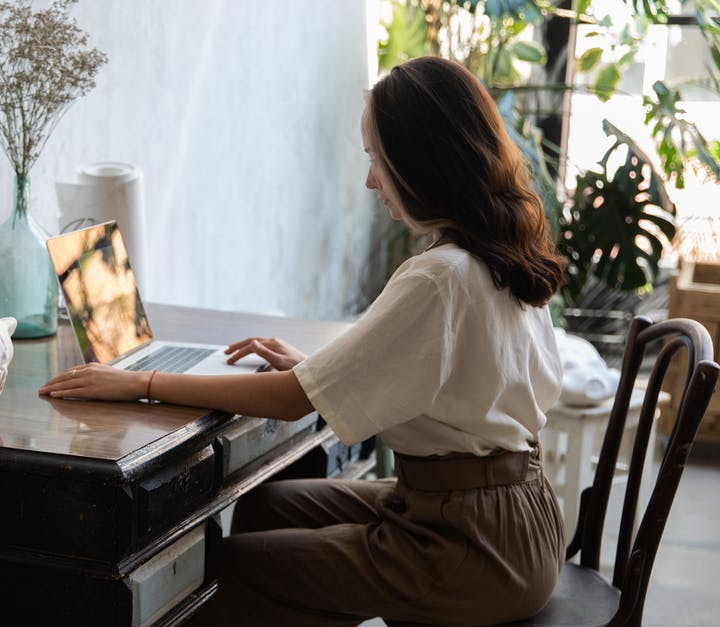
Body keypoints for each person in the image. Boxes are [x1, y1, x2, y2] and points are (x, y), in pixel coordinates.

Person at [39, 56, 565, 626]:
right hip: (510, 516)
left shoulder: (440, 275)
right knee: (267, 505)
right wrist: (317, 372)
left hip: (472, 545)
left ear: (420, 162)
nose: (370, 180)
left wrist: (140, 383)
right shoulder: (495, 251)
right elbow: (445, 380)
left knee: (227, 571)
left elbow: (291, 401)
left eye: (375, 158)